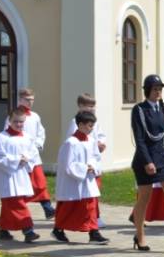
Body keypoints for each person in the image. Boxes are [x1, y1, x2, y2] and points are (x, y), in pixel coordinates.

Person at [128, 75, 164, 251]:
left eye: (160, 89)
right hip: (145, 160)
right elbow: (140, 139)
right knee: (144, 198)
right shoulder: (139, 110)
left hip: (163, 158)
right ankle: (140, 235)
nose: (158, 92)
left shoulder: (163, 108)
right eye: (155, 89)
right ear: (147, 90)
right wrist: (148, 161)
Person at [52, 110, 107, 244]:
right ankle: (58, 229)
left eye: (92, 126)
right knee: (69, 207)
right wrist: (84, 168)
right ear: (81, 125)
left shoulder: (91, 141)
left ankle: (94, 232)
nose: (91, 129)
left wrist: (93, 166)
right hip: (73, 182)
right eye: (89, 126)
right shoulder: (70, 143)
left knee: (91, 205)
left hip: (88, 180)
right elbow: (67, 164)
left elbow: (96, 157)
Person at [0, 107, 40, 243]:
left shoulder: (27, 138)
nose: (18, 124)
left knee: (10, 205)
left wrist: (27, 158)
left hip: (21, 175)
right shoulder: (1, 137)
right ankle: (28, 231)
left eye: (21, 122)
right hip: (6, 177)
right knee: (17, 204)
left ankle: (3, 230)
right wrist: (17, 159)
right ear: (9, 121)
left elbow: (33, 153)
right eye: (15, 121)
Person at [10, 88, 54, 219]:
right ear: (20, 100)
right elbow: (8, 134)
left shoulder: (35, 116)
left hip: (33, 156)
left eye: (32, 100)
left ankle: (48, 209)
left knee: (40, 183)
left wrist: (38, 144)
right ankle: (16, 211)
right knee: (22, 186)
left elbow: (41, 133)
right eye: (27, 100)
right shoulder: (13, 116)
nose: (30, 102)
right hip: (20, 157)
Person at [66, 94, 107, 226]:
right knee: (87, 193)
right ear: (80, 106)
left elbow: (100, 135)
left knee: (95, 191)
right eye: (89, 106)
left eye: (93, 106)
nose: (92, 108)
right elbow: (75, 140)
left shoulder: (95, 121)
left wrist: (101, 143)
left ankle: (95, 216)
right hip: (83, 163)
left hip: (93, 162)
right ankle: (91, 218)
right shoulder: (75, 122)